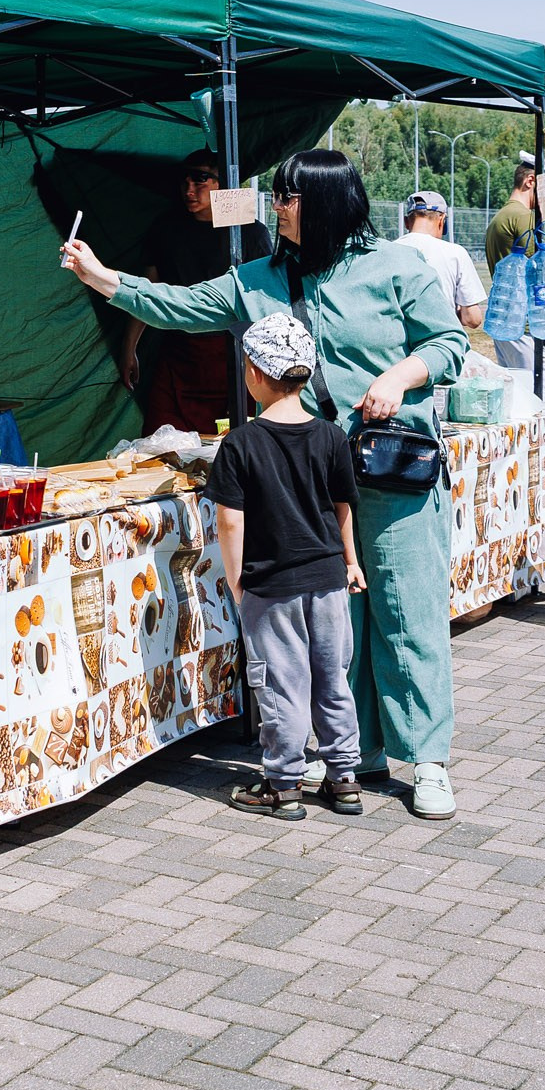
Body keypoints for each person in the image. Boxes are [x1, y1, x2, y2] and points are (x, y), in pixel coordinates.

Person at [60, 148, 469, 820]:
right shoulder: (259, 278)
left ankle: (428, 759)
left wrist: (400, 377)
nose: (275, 206)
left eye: (288, 197)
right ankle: (357, 752)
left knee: (408, 611)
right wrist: (103, 278)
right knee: (342, 626)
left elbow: (449, 344)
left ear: (327, 202)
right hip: (313, 485)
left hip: (393, 473)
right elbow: (181, 304)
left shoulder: (399, 268)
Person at [209, 313, 364, 822]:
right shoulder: (332, 436)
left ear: (254, 372)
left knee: (282, 685)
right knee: (332, 679)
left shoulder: (239, 443)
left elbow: (230, 522)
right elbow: (343, 505)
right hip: (329, 581)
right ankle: (344, 778)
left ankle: (284, 785)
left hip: (271, 585)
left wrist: (236, 581)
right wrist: (351, 561)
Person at [122, 151, 236, 433]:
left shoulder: (247, 232)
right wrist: (129, 348)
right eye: (184, 181)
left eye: (200, 180)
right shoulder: (165, 228)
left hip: (230, 357)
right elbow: (147, 292)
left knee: (229, 443)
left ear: (222, 183)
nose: (189, 190)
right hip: (178, 353)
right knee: (158, 442)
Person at [483, 159, 545, 398]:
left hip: (505, 324)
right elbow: (539, 276)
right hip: (527, 327)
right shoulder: (524, 217)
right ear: (531, 181)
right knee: (543, 403)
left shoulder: (501, 216)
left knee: (518, 400)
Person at [395, 190, 485, 332]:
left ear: (406, 222)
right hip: (442, 339)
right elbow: (473, 319)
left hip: (400, 340)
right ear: (442, 220)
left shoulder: (389, 251)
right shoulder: (456, 253)